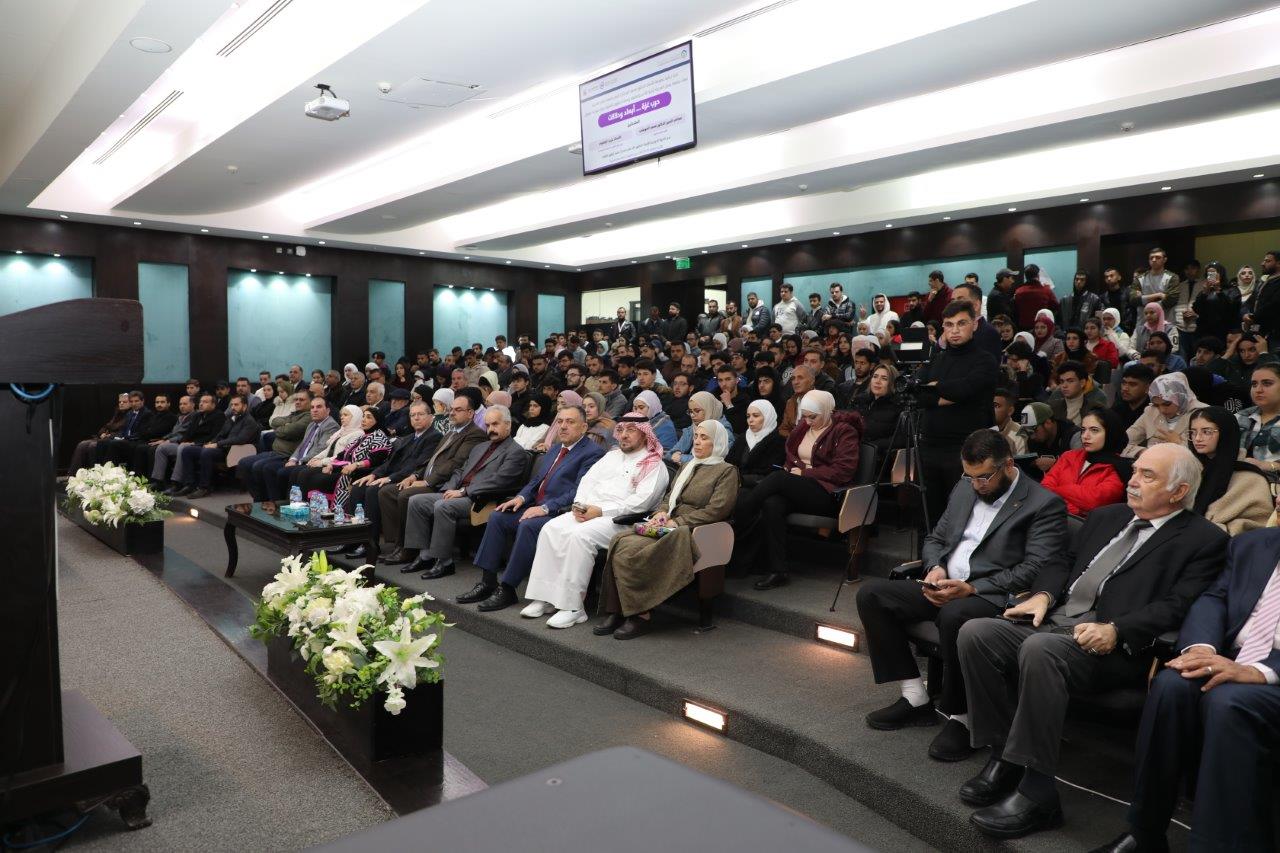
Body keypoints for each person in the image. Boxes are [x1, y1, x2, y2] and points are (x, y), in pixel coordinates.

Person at [956, 444, 1227, 840]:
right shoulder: (1106, 517)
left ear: (1179, 491)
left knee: (1039, 650)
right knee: (976, 632)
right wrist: (1043, 595)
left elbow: (1179, 605)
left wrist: (1118, 629)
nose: (1132, 481)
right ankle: (1005, 756)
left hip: (1114, 644)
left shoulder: (1204, 539)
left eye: (1148, 476)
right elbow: (1059, 562)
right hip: (1058, 620)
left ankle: (1038, 794)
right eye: (1135, 470)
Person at [857, 429, 1066, 761]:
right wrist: (936, 567)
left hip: (991, 593)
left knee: (955, 616)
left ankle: (962, 717)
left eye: (983, 477)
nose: (976, 485)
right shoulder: (964, 487)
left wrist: (973, 588)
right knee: (872, 594)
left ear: (1008, 464)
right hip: (947, 584)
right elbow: (936, 538)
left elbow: (1036, 567)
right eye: (970, 476)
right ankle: (915, 697)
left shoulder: (1043, 503)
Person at [1088, 528, 1280, 853]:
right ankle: (1145, 831)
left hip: (1273, 672)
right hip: (1230, 656)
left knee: (1227, 701)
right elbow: (1215, 598)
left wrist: (1259, 671)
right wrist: (1201, 647)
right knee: (1172, 685)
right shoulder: (1252, 543)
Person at [518, 412, 669, 628]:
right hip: (588, 511)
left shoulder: (654, 464)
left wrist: (600, 511)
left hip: (621, 520)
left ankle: (573, 608)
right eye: (621, 430)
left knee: (579, 536)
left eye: (631, 431)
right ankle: (546, 599)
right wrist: (580, 506)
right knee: (551, 528)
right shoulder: (611, 456)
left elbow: (641, 503)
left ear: (645, 435)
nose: (624, 435)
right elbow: (587, 482)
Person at [595, 420, 739, 640]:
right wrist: (662, 512)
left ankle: (641, 613)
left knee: (636, 552)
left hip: (693, 530)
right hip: (668, 525)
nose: (697, 442)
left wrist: (678, 522)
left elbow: (717, 510)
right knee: (621, 542)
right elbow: (669, 498)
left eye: (704, 438)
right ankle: (618, 609)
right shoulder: (687, 466)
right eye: (696, 436)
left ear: (717, 442)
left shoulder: (726, 471)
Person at [460, 406, 606, 612]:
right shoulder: (555, 448)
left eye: (570, 422)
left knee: (528, 526)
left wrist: (545, 508)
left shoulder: (593, 453)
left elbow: (579, 491)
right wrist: (520, 498)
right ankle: (487, 582)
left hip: (562, 512)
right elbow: (537, 480)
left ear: (583, 427)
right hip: (536, 505)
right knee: (498, 516)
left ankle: (508, 588)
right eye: (560, 421)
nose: (563, 426)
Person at [733, 390, 862, 590]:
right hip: (800, 487)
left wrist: (805, 473)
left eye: (813, 417)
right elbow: (791, 455)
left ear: (827, 411)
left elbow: (843, 471)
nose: (808, 421)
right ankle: (778, 570)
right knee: (772, 503)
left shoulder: (844, 431)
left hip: (828, 492)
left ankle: (741, 511)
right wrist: (792, 469)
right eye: (805, 416)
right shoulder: (803, 427)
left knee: (778, 479)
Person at [401, 405, 529, 578]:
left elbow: (499, 481)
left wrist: (463, 491)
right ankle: (425, 556)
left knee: (443, 506)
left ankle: (444, 562)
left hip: (482, 500)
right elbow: (460, 471)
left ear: (508, 425)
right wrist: (450, 488)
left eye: (495, 424)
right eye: (488, 425)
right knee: (417, 501)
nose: (490, 429)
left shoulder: (516, 452)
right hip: (460, 493)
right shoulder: (480, 447)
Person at [914, 300, 1000, 526]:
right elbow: (919, 395)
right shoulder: (935, 358)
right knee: (928, 516)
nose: (954, 330)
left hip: (966, 449)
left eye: (961, 323)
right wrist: (948, 394)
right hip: (929, 446)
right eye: (949, 324)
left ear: (974, 324)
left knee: (963, 516)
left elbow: (967, 389)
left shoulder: (985, 360)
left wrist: (936, 388)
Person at [378, 394, 486, 564]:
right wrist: (414, 475)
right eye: (451, 409)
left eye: (458, 410)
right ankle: (397, 544)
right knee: (387, 492)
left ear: (471, 413)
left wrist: (427, 481)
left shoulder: (475, 434)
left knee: (405, 495)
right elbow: (432, 459)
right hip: (429, 478)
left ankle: (408, 549)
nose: (452, 413)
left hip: (443, 483)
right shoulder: (451, 432)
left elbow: (456, 463)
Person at [339, 402, 441, 558]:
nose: (416, 418)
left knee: (373, 490)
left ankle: (370, 544)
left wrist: (389, 478)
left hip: (408, 479)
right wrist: (374, 474)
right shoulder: (408, 438)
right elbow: (389, 463)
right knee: (359, 487)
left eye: (420, 414)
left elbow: (418, 465)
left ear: (430, 417)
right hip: (392, 476)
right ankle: (354, 539)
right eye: (412, 415)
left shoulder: (434, 437)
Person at [1188, 406, 1273, 536]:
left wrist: (1211, 532)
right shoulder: (1190, 471)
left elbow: (1259, 523)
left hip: (1226, 543)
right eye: (1193, 432)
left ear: (1225, 433)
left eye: (1207, 432)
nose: (1197, 438)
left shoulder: (1250, 478)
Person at [1039, 409, 1131, 516]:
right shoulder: (1069, 456)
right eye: (1083, 430)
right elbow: (1044, 489)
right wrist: (1076, 510)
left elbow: (1094, 502)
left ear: (1110, 433)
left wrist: (1058, 490)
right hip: (1053, 517)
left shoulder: (1120, 469)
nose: (1085, 436)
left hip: (1090, 525)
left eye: (1094, 430)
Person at [169, 394, 259, 498]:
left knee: (207, 452)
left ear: (245, 406)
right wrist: (211, 442)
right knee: (188, 450)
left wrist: (217, 444)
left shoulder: (249, 421)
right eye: (232, 405)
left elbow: (240, 439)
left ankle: (204, 487)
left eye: (236, 405)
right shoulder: (231, 419)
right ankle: (190, 484)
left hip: (235, 451)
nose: (233, 407)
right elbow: (220, 434)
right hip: (223, 449)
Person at [1124, 372, 1206, 456]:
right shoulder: (1151, 411)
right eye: (1156, 405)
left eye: (1167, 404)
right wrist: (1142, 452)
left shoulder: (1202, 414)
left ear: (1180, 397)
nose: (1162, 410)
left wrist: (1179, 444)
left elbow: (1206, 455)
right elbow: (1122, 442)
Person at [153, 393, 225, 487]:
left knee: (183, 447)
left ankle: (176, 482)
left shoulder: (219, 416)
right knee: (162, 448)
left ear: (213, 405)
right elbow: (188, 433)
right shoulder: (197, 416)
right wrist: (182, 441)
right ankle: (158, 481)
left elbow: (214, 436)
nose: (201, 404)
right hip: (189, 444)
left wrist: (193, 443)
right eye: (200, 402)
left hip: (203, 445)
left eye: (205, 402)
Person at [726, 399, 785, 487]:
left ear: (767, 416)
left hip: (760, 488)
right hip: (733, 483)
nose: (750, 420)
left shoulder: (778, 441)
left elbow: (771, 474)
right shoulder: (743, 438)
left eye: (756, 416)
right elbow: (729, 462)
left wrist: (740, 480)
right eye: (748, 416)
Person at [68, 393, 130, 474]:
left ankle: (96, 474)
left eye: (124, 402)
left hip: (114, 440)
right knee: (82, 444)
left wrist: (110, 435)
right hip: (105, 438)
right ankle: (72, 474)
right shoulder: (117, 412)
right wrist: (102, 433)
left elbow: (124, 432)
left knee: (92, 446)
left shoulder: (131, 415)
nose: (121, 404)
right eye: (120, 402)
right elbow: (107, 426)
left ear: (130, 403)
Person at [1237, 363, 1280, 471]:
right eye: (1254, 384)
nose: (1258, 390)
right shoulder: (1239, 417)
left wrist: (1270, 466)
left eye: (1267, 383)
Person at [852, 363, 902, 454]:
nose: (877, 381)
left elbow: (902, 439)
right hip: (854, 452)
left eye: (884, 378)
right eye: (875, 377)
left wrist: (871, 447)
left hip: (880, 456)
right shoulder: (860, 401)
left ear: (892, 383)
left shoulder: (899, 407)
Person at [1021, 401, 1081, 477]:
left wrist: (1056, 464)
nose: (1032, 437)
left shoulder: (1074, 436)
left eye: (1034, 431)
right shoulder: (1033, 440)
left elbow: (1081, 468)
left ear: (1048, 423)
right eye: (1028, 432)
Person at [1046, 360, 1105, 426]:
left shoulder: (1096, 409)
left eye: (1070, 381)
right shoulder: (1052, 407)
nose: (1064, 386)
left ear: (1082, 383)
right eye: (1062, 381)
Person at [1014, 266, 1060, 332]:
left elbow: (1015, 310)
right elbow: (1056, 307)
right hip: (1042, 327)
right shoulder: (1046, 291)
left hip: (1023, 328)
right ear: (1038, 276)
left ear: (1026, 277)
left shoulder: (1018, 292)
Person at [1110, 363, 1154, 431]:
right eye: (1124, 383)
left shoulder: (1153, 411)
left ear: (1147, 387)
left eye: (1132, 384)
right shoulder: (1118, 405)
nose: (1125, 388)